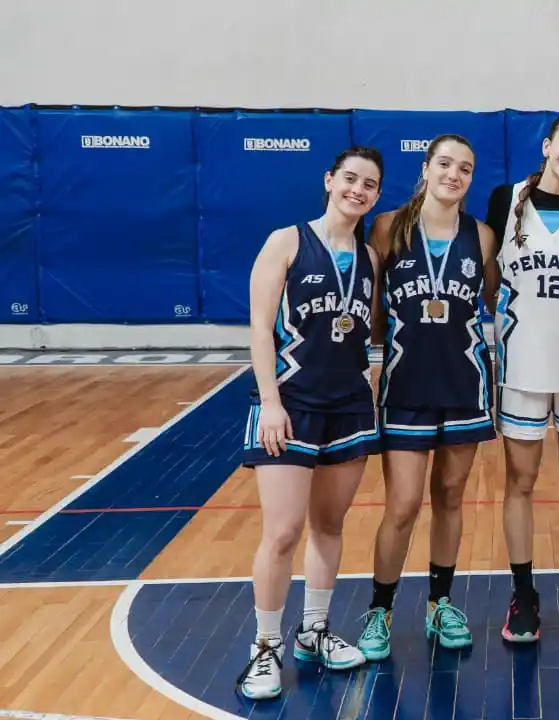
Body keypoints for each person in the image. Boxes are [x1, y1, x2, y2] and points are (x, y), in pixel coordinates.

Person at [236, 146, 384, 700]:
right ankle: (266, 645)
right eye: (350, 179)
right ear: (329, 180)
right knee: (281, 532)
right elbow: (258, 326)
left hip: (347, 405)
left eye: (369, 184)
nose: (358, 190)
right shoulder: (287, 240)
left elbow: (361, 333)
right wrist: (270, 401)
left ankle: (314, 630)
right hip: (290, 404)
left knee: (329, 525)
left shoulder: (369, 256)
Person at [356, 134, 500, 660]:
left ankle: (440, 603)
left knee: (451, 497)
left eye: (465, 167)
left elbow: (490, 298)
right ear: (425, 167)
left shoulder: (482, 236)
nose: (454, 175)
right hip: (406, 384)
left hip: (463, 385)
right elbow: (369, 305)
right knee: (403, 504)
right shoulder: (388, 227)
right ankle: (380, 609)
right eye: (445, 164)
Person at [485, 112, 559, 642]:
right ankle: (524, 591)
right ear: (547, 146)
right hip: (522, 363)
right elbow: (489, 275)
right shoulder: (502, 199)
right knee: (521, 482)